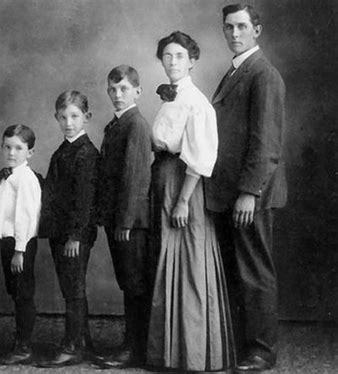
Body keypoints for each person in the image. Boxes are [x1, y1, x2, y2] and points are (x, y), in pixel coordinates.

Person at [204, 4, 287, 372]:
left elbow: (266, 142)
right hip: (230, 192)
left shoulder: (263, 74)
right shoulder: (236, 71)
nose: (234, 34)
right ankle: (244, 347)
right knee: (239, 270)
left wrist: (249, 192)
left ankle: (262, 352)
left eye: (241, 26)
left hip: (251, 194)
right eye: (228, 27)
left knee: (254, 272)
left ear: (257, 30)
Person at [146, 31, 234, 372]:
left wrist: (182, 201)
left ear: (192, 60)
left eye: (179, 56)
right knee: (169, 261)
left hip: (185, 185)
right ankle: (169, 351)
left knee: (187, 264)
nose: (172, 62)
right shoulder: (171, 98)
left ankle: (194, 354)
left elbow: (199, 157)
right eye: (167, 56)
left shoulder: (197, 102)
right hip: (165, 178)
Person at [38, 90, 99, 367]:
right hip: (60, 233)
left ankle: (73, 344)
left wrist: (76, 235)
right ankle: (83, 340)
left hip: (75, 235)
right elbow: (52, 190)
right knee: (70, 287)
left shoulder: (86, 153)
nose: (69, 122)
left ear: (86, 117)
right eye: (63, 117)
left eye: (74, 116)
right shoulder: (62, 151)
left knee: (74, 288)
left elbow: (85, 201)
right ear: (56, 118)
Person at [97, 65, 152, 368]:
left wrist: (125, 222)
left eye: (124, 89)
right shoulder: (115, 125)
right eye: (113, 89)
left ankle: (136, 348)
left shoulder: (136, 125)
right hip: (118, 219)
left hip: (130, 222)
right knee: (128, 282)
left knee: (134, 284)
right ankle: (132, 343)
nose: (117, 95)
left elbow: (135, 178)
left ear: (137, 92)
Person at [0, 124, 42, 365]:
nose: (12, 153)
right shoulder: (7, 176)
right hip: (8, 241)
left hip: (20, 244)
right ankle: (19, 341)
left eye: (18, 148)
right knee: (15, 292)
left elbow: (26, 216)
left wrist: (19, 250)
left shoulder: (25, 179)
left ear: (29, 153)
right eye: (8, 147)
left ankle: (23, 346)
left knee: (23, 294)